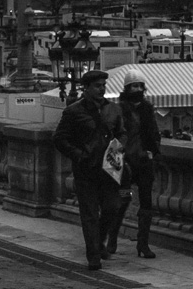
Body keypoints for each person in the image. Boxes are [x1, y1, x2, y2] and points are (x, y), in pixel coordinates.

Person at [53, 69, 126, 271]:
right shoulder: (73, 112)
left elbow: (122, 133)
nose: (102, 89)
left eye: (104, 85)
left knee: (113, 207)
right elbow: (59, 139)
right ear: (86, 88)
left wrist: (118, 152)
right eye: (97, 86)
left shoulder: (113, 109)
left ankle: (100, 240)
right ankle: (93, 255)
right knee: (90, 214)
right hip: (86, 169)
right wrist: (79, 155)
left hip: (110, 168)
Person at [107, 67, 160, 259]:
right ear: (126, 89)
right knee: (123, 199)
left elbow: (154, 135)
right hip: (126, 166)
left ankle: (143, 244)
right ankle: (112, 239)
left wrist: (152, 151)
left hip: (144, 164)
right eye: (133, 86)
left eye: (139, 86)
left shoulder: (147, 109)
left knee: (146, 204)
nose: (137, 89)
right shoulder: (119, 110)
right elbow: (114, 139)